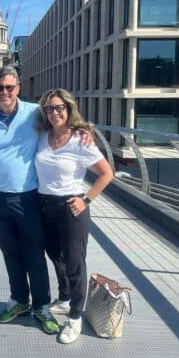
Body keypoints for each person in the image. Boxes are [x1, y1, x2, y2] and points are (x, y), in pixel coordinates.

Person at [0, 66, 60, 335]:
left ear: (19, 87)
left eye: (9, 87)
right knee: (10, 253)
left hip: (28, 195)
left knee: (34, 253)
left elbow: (63, 126)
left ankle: (42, 305)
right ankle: (19, 301)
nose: (4, 92)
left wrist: (83, 132)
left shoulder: (34, 113)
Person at [35, 88, 114, 344]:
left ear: (69, 110)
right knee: (55, 255)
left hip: (71, 206)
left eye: (59, 108)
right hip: (44, 204)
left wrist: (86, 199)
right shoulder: (42, 135)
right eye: (49, 108)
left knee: (74, 261)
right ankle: (66, 298)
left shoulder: (81, 140)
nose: (54, 112)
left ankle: (76, 315)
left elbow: (106, 173)